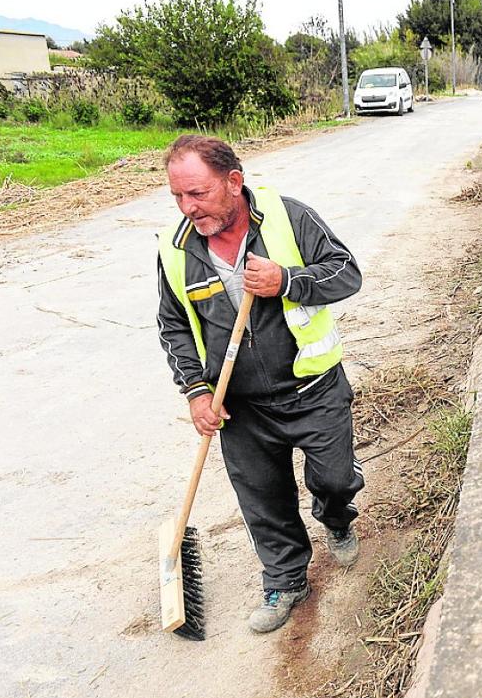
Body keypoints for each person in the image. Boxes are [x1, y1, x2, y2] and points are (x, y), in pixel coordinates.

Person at [156, 134, 364, 634]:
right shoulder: (176, 247)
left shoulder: (288, 218)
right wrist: (196, 391)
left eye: (198, 194)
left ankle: (335, 517)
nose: (188, 208)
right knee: (264, 501)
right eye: (178, 197)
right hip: (241, 406)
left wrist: (287, 281)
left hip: (313, 389)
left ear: (233, 181)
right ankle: (286, 579)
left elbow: (346, 273)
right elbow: (174, 325)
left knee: (334, 480)